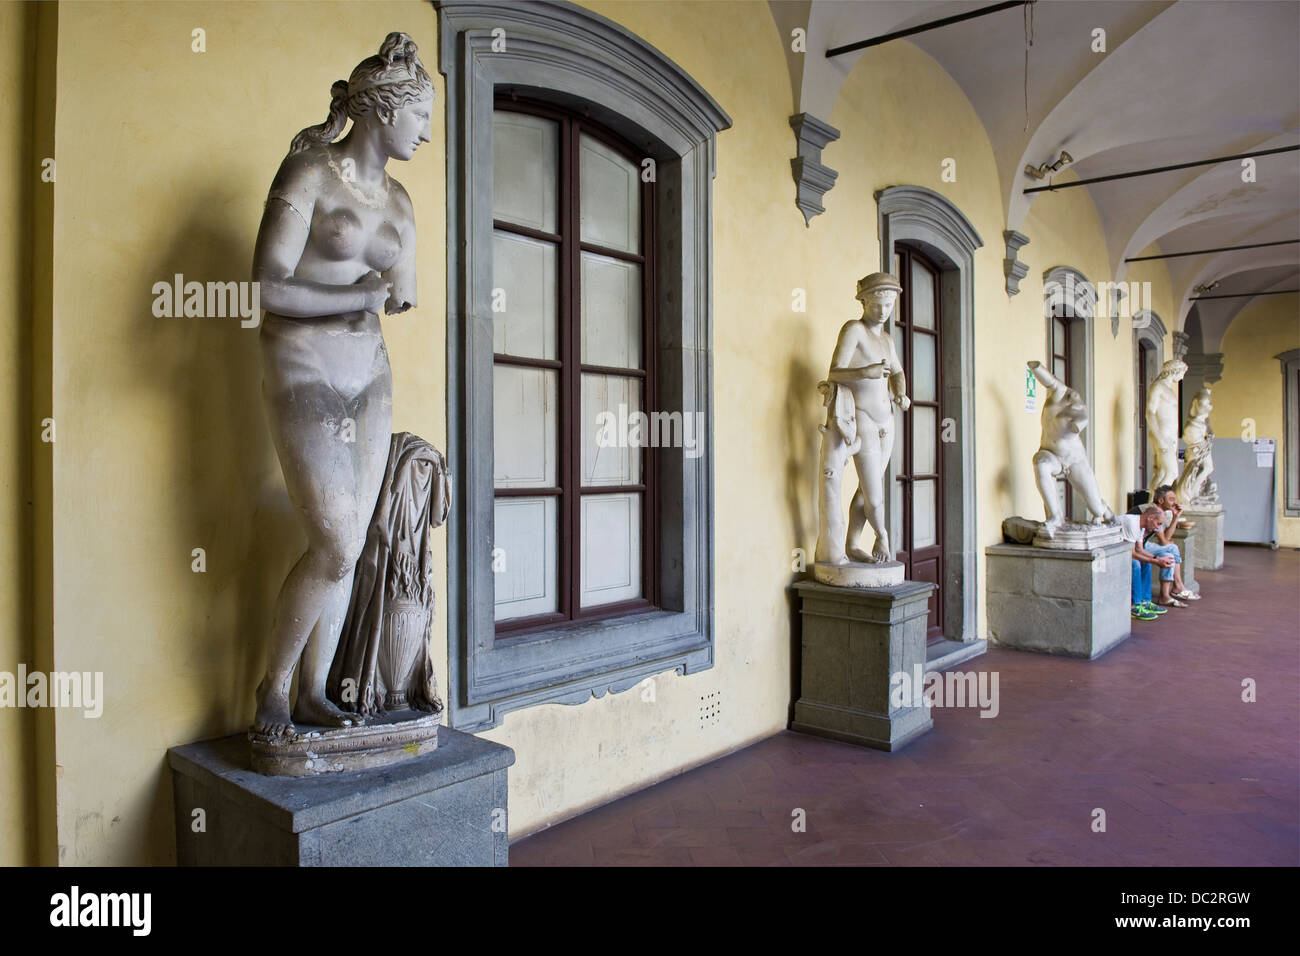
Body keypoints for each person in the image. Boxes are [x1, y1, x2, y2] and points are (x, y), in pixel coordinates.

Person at [251, 34, 434, 737]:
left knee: (350, 544)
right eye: (419, 115)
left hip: (369, 374)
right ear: (384, 110)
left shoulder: (403, 203)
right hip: (302, 365)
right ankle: (271, 688)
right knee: (332, 542)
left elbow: (394, 297)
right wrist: (355, 298)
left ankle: (313, 692)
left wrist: (376, 296)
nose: (424, 130)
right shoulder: (308, 172)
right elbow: (264, 287)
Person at [1119, 505, 1176, 620]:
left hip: (1122, 551)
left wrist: (1156, 558)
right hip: (1108, 552)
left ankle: (1145, 601)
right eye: (1158, 524)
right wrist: (1156, 561)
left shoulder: (1142, 526)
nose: (1157, 528)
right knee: (1135, 563)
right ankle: (1135, 606)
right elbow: (1131, 553)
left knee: (1146, 563)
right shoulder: (1132, 523)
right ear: (1150, 518)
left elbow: (1140, 549)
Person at [1146, 484, 1200, 604]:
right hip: (1135, 544)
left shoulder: (1162, 512)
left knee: (1168, 555)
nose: (1175, 502)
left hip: (1143, 543)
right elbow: (1164, 541)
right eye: (1171, 499)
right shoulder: (1155, 511)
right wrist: (1167, 542)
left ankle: (1165, 596)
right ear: (1161, 500)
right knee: (1172, 547)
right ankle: (1178, 587)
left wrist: (1175, 517)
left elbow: (1166, 538)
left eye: (1175, 499)